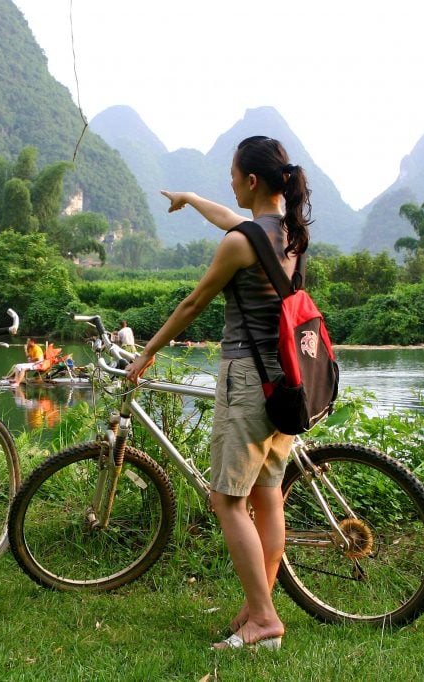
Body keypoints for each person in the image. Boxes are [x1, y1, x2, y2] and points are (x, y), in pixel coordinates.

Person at [124, 136, 311, 651]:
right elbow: (233, 217)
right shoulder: (291, 233)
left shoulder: (240, 244)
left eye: (232, 173)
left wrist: (146, 353)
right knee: (267, 496)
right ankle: (258, 609)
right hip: (284, 383)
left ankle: (265, 621)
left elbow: (192, 305)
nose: (229, 181)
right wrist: (188, 197)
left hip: (247, 382)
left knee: (226, 500)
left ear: (252, 180)